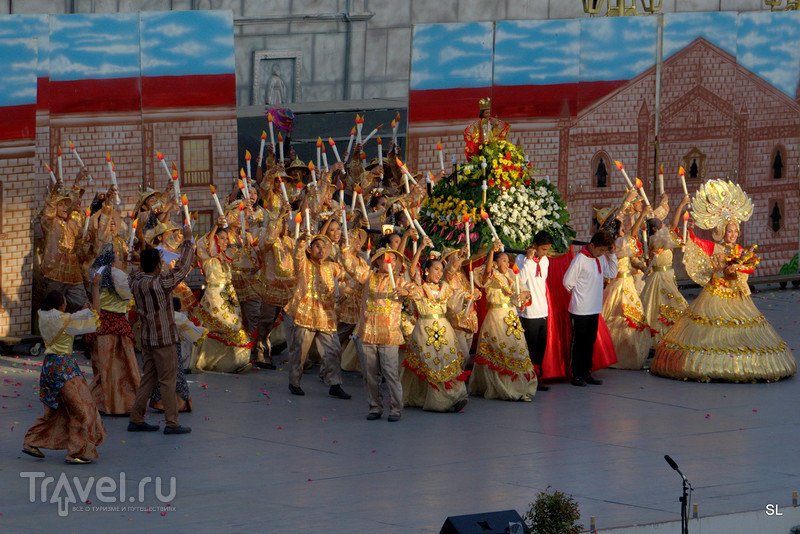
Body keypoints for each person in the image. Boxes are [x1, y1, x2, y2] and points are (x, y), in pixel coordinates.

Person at [651, 179, 796, 382]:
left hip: (735, 293)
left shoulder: (741, 251)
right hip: (715, 292)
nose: (733, 235)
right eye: (730, 232)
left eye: (735, 232)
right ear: (722, 232)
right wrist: (690, 230)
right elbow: (697, 243)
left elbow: (748, 267)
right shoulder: (715, 247)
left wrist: (737, 269)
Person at [22, 289, 106, 464]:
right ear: (61, 305)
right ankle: (75, 451)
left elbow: (68, 319)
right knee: (82, 409)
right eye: (65, 302)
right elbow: (93, 318)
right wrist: (95, 289)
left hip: (49, 367)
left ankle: (31, 442)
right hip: (65, 369)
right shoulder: (65, 319)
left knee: (54, 411)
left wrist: (82, 311)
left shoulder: (44, 316)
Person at [127, 222, 194, 435]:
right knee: (167, 380)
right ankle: (172, 423)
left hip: (146, 339)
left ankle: (136, 418)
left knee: (149, 378)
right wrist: (188, 241)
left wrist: (137, 258)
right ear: (157, 265)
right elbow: (183, 268)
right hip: (164, 339)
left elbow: (135, 272)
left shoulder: (136, 282)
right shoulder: (160, 283)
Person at [342, 247, 415, 421]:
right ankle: (374, 406)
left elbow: (418, 291)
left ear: (397, 264)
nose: (390, 262)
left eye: (394, 259)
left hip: (389, 333)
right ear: (378, 262)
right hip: (367, 332)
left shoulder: (400, 281)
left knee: (390, 372)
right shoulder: (368, 277)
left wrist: (407, 293)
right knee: (369, 373)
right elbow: (351, 267)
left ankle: (396, 408)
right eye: (386, 259)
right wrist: (345, 250)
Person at [283, 233, 351, 399]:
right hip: (306, 312)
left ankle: (334, 383)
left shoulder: (332, 267)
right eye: (317, 246)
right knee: (300, 350)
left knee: (334, 349)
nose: (322, 250)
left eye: (325, 247)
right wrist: (300, 242)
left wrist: (345, 292)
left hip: (326, 313)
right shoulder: (303, 264)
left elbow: (350, 276)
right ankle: (295, 382)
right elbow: (297, 256)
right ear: (309, 249)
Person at [401, 255, 471, 412]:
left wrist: (469, 296)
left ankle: (455, 396)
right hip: (424, 331)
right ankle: (437, 400)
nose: (439, 273)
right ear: (426, 270)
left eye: (441, 270)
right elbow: (412, 294)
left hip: (443, 329)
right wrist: (405, 292)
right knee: (432, 364)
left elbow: (457, 296)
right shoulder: (420, 288)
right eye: (436, 269)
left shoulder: (445, 288)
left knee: (448, 362)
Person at [470, 240, 537, 401]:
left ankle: (520, 387)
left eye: (508, 260)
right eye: (504, 260)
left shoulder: (511, 275)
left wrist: (524, 295)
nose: (507, 263)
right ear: (494, 262)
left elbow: (525, 290)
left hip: (511, 316)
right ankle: (499, 387)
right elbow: (485, 274)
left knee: (518, 350)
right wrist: (492, 251)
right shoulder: (490, 274)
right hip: (496, 317)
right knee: (500, 350)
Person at [85, 244, 140, 415]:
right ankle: (124, 403)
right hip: (116, 324)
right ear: (113, 261)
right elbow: (131, 295)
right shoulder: (118, 276)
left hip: (102, 326)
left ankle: (105, 404)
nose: (120, 261)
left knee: (105, 369)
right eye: (118, 258)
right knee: (123, 369)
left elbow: (96, 309)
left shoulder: (97, 276)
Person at [190, 222, 253, 374]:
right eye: (221, 238)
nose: (225, 241)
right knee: (222, 327)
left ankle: (234, 362)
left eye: (226, 238)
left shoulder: (226, 256)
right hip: (214, 298)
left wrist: (247, 242)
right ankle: (215, 362)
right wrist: (214, 227)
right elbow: (204, 244)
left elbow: (246, 258)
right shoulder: (206, 256)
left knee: (236, 328)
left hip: (230, 296)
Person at [601, 204, 654, 370]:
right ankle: (612, 355)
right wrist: (642, 215)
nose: (625, 231)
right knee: (619, 318)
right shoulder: (616, 244)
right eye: (622, 229)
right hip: (617, 286)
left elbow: (632, 261)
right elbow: (632, 236)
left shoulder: (622, 245)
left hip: (628, 283)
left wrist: (644, 267)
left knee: (633, 318)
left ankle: (629, 354)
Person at [563, 230, 618, 386]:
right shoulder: (581, 259)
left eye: (604, 250)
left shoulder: (600, 258)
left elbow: (612, 273)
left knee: (589, 341)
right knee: (579, 342)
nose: (602, 253)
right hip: (580, 309)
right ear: (592, 245)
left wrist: (612, 255)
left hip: (594, 308)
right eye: (600, 249)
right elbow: (567, 282)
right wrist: (580, 294)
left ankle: (586, 372)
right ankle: (577, 374)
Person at [639, 195, 691, 349]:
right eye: (661, 224)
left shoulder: (660, 237)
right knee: (664, 306)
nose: (665, 226)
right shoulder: (657, 238)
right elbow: (674, 226)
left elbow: (673, 227)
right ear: (655, 229)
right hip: (660, 277)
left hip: (667, 275)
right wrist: (681, 204)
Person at [150, 297, 201, 413]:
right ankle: (177, 404)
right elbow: (195, 331)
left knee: (162, 375)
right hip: (173, 348)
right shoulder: (180, 317)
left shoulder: (159, 315)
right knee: (176, 375)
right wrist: (212, 331)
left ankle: (160, 402)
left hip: (160, 347)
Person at [516, 230, 553, 389]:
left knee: (540, 348)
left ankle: (536, 379)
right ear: (535, 245)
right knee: (528, 349)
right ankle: (526, 380)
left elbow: (541, 282)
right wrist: (529, 260)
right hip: (528, 312)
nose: (546, 253)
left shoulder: (545, 261)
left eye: (547, 250)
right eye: (543, 249)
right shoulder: (521, 258)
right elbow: (520, 281)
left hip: (542, 309)